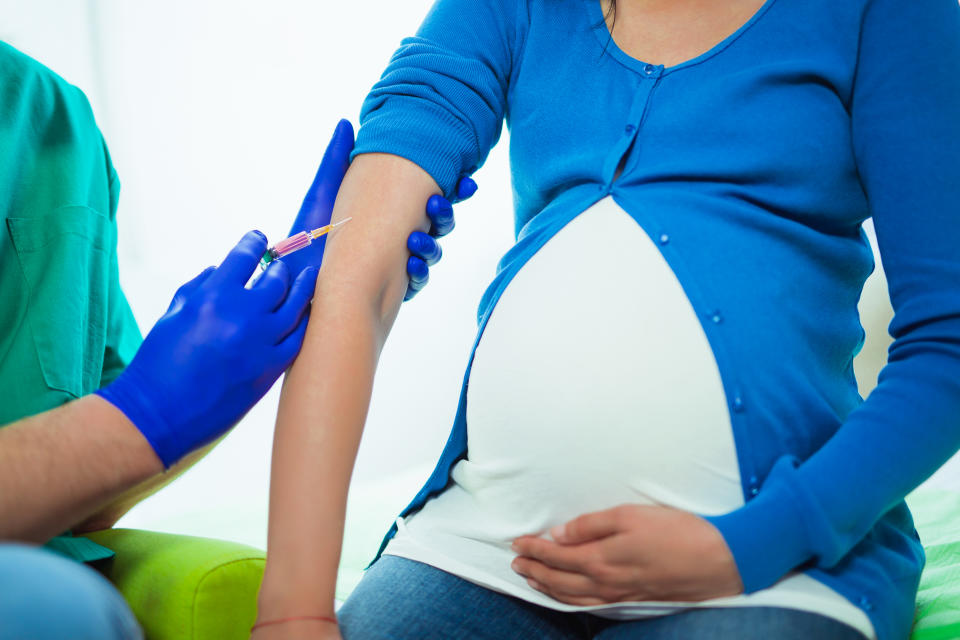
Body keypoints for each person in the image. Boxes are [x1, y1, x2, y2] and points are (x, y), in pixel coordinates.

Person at [254, 0, 960, 639]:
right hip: (483, 552)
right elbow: (353, 277)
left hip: (776, 568)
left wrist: (747, 548)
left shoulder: (885, 13)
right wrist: (293, 611)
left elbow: (946, 343)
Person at [0, 41, 474, 640]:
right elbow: (131, 424)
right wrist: (146, 412)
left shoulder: (56, 121)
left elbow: (80, 502)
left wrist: (231, 375)